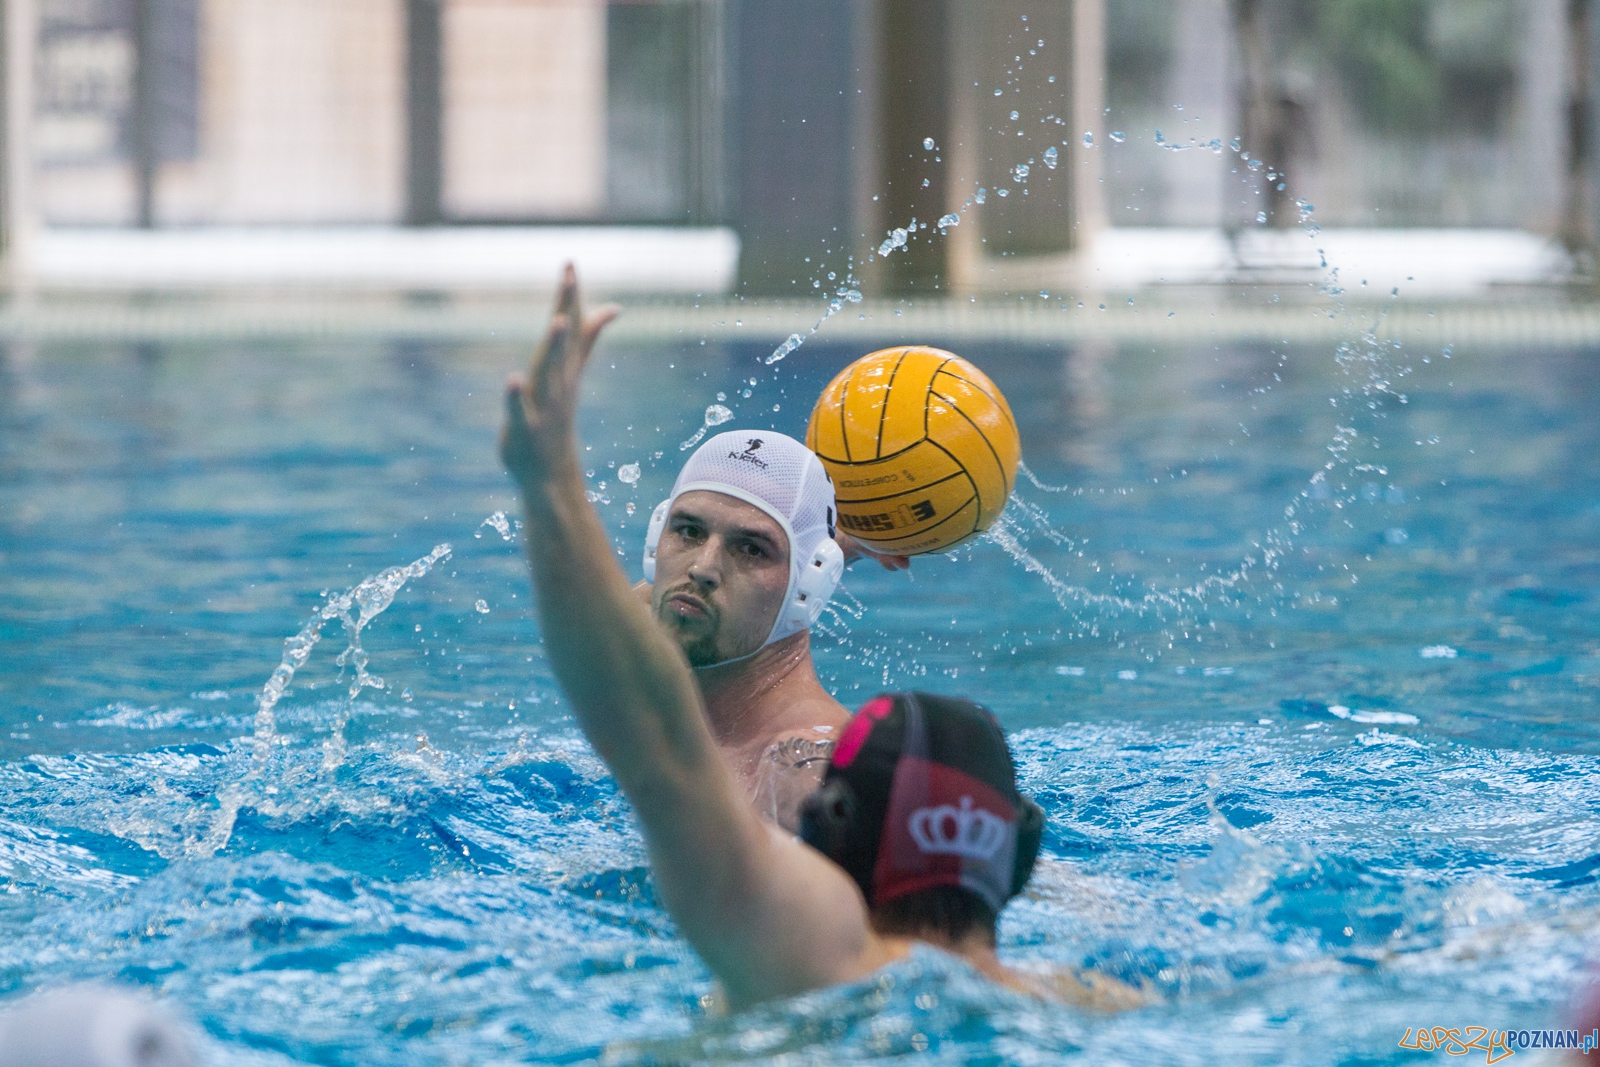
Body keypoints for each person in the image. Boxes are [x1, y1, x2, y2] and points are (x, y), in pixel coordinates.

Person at [500, 265, 1144, 1009]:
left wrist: (548, 480)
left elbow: (642, 716)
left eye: (751, 550)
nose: (702, 569)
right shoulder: (674, 625)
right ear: (657, 543)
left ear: (805, 586)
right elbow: (621, 626)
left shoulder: (815, 769)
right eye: (687, 531)